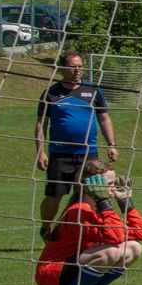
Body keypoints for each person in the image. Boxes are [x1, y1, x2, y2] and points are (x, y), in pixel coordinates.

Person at [34, 163, 142, 285]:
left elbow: (139, 233)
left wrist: (125, 202)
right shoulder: (79, 211)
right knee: (111, 252)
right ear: (92, 185)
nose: (114, 188)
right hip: (52, 274)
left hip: (72, 268)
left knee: (134, 248)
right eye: (109, 184)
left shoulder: (97, 209)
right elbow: (116, 236)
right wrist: (104, 202)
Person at [35, 50, 119, 238]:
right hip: (60, 154)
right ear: (62, 68)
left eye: (80, 67)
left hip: (89, 154)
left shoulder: (93, 91)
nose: (77, 70)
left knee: (91, 194)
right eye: (73, 67)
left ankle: (87, 233)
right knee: (54, 195)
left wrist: (111, 144)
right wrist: (40, 152)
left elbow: (104, 118)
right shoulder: (51, 93)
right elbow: (41, 124)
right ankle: (46, 229)